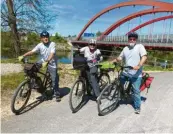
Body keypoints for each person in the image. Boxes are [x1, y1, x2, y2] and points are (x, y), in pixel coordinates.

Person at [18, 30, 61, 102]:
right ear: (41, 38)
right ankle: (38, 86)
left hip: (52, 63)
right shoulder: (39, 45)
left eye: (47, 37)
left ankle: (56, 93)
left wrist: (47, 61)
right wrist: (23, 55)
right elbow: (32, 52)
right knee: (31, 70)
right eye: (44, 37)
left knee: (54, 79)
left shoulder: (52, 44)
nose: (45, 38)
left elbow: (52, 53)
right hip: (43, 61)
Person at [111, 32, 147, 114]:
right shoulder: (125, 48)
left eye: (134, 39)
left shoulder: (139, 46)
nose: (132, 40)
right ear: (128, 40)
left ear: (136, 40)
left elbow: (144, 56)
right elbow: (120, 57)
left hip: (136, 74)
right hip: (125, 72)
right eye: (130, 39)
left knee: (136, 91)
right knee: (119, 84)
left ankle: (137, 107)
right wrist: (113, 61)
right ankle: (120, 96)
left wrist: (139, 65)